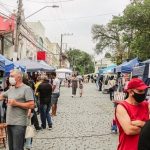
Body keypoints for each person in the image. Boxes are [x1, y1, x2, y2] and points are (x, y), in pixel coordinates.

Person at [0, 69, 34, 150]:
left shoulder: (26, 89)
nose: (9, 78)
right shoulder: (11, 88)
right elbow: (1, 96)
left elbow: (32, 105)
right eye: (9, 76)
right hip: (10, 122)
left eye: (12, 76)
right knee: (11, 148)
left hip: (19, 124)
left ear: (19, 77)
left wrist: (16, 103)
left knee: (17, 148)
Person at [115, 78, 149, 150]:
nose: (143, 93)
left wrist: (141, 123)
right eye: (140, 91)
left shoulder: (146, 105)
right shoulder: (122, 107)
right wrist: (147, 126)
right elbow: (129, 130)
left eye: (144, 91)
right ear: (130, 92)